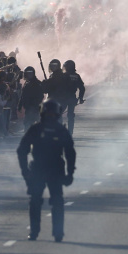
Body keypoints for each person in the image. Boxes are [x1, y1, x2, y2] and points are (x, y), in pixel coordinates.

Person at [16, 100, 76, 243]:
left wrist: (70, 173)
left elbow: (70, 152)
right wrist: (25, 171)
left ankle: (54, 232)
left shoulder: (45, 129)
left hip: (51, 169)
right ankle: (40, 232)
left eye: (51, 114)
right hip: (41, 169)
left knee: (52, 201)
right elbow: (22, 150)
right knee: (41, 201)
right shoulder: (49, 129)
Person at [62, 60, 85, 134]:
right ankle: (70, 132)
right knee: (70, 115)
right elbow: (82, 88)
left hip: (64, 98)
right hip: (72, 97)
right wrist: (80, 98)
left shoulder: (64, 75)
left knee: (58, 114)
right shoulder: (77, 76)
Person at [18, 66, 44, 131]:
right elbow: (23, 95)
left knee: (31, 124)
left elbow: (41, 95)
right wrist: (20, 105)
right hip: (28, 107)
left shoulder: (37, 83)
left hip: (34, 107)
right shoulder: (27, 83)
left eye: (30, 74)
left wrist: (35, 104)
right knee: (28, 124)